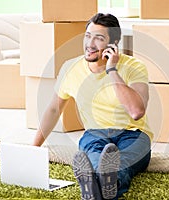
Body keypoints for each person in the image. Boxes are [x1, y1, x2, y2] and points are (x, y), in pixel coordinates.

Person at [33, 13, 153, 200]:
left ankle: (96, 186)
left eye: (99, 38)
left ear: (113, 44)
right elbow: (54, 109)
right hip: (95, 133)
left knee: (123, 160)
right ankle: (103, 183)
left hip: (134, 133)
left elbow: (136, 111)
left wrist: (112, 70)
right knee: (94, 155)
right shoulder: (70, 68)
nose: (90, 43)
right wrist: (34, 147)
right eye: (88, 36)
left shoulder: (134, 67)